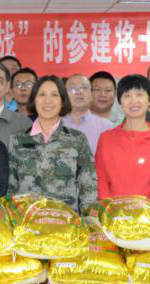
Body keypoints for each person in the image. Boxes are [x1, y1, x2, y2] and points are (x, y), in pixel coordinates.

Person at [8, 75, 97, 213]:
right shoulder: (17, 140)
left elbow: (88, 186)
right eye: (42, 94)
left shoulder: (77, 139)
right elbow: (10, 187)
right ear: (34, 100)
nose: (47, 100)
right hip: (27, 222)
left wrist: (88, 218)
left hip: (66, 221)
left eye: (54, 95)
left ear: (62, 101)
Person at [94, 74, 150, 207]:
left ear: (149, 100)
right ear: (120, 102)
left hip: (146, 216)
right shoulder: (106, 138)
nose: (133, 100)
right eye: (127, 95)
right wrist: (112, 210)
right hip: (111, 214)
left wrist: (141, 213)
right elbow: (100, 181)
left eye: (139, 94)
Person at [63, 74, 114, 153]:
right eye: (73, 88)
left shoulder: (107, 128)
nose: (79, 92)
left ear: (91, 94)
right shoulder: (53, 126)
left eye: (84, 88)